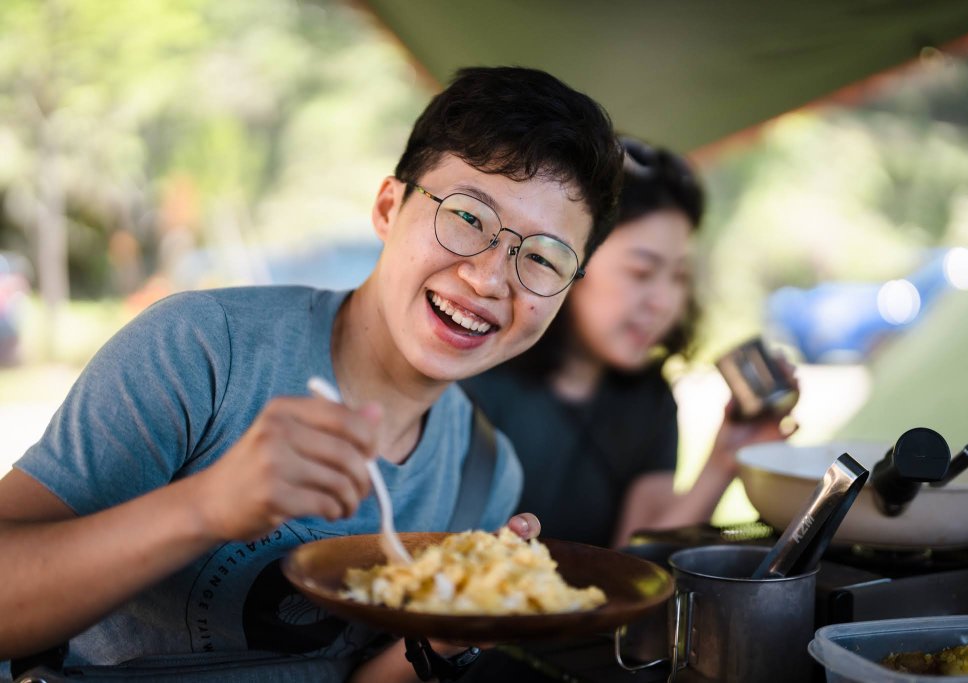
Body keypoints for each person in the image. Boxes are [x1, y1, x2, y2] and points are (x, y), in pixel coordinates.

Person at [0, 66, 623, 682]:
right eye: (466, 218)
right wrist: (205, 508)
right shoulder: (204, 351)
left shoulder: (483, 472)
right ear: (388, 207)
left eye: (542, 257)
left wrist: (455, 626)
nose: (489, 279)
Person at [462, 136, 797, 549]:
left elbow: (638, 561)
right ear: (569, 260)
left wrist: (724, 461)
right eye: (641, 272)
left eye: (678, 277)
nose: (665, 303)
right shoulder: (474, 376)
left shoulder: (649, 399)